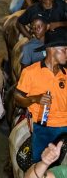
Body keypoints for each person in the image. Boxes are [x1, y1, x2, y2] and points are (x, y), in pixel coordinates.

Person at [15, 28, 67, 163]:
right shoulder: (30, 72)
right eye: (64, 49)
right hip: (43, 127)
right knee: (40, 163)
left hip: (65, 125)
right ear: (51, 49)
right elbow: (17, 98)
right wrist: (34, 99)